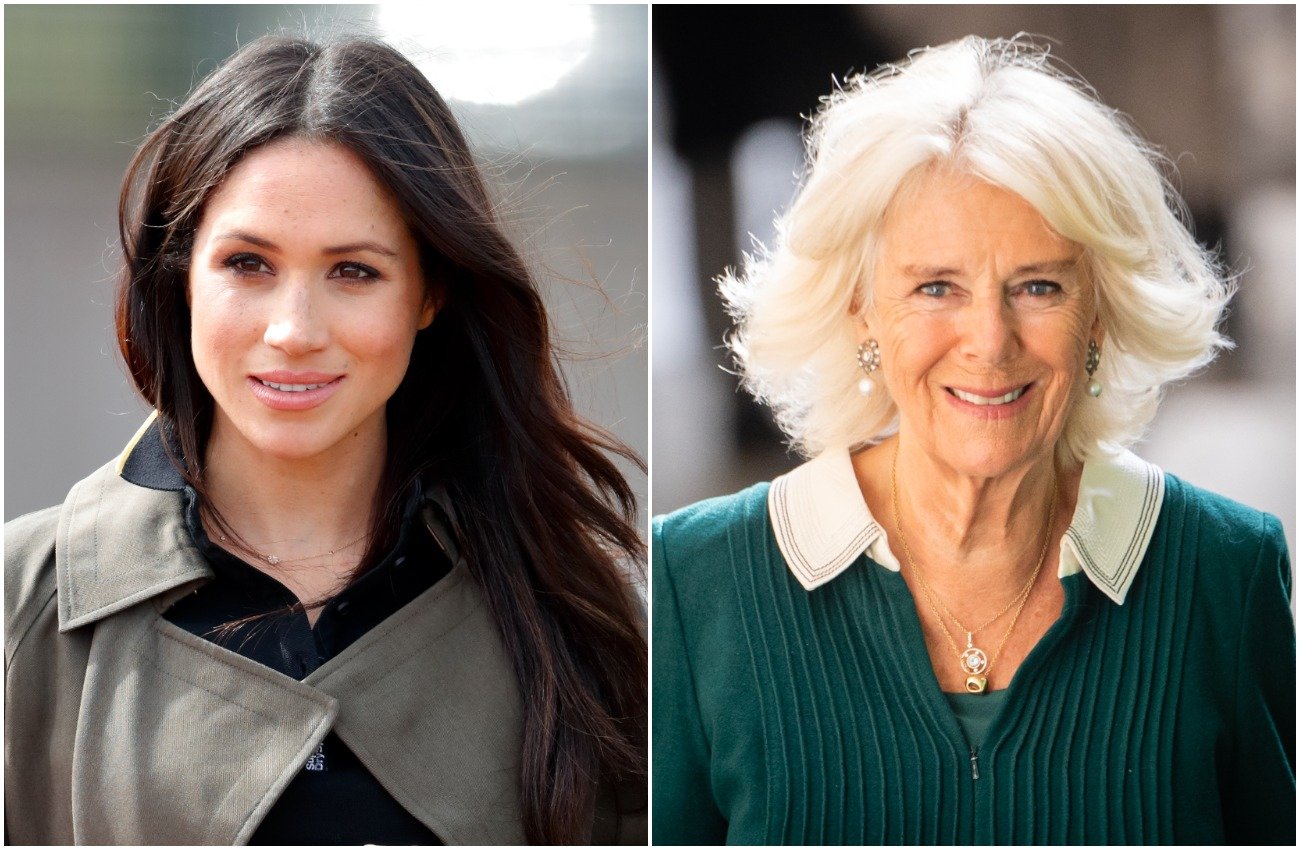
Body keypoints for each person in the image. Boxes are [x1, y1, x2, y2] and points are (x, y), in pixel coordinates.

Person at [5, 35, 646, 845]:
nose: (294, 330)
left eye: (354, 271)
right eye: (248, 263)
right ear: (181, 275)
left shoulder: (578, 616)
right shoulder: (21, 609)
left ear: (429, 292)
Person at [652, 36, 1293, 845]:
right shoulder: (693, 581)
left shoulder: (1226, 574)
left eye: (1038, 286)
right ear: (861, 312)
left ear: (1099, 314)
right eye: (936, 287)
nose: (989, 342)